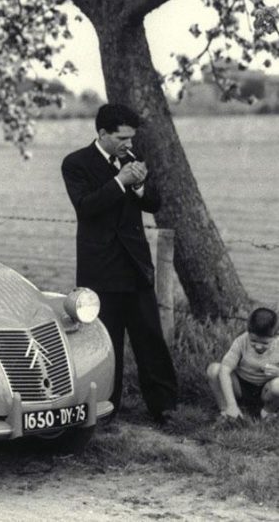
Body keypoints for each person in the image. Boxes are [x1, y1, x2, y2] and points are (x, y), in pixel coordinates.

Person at [61, 103, 177, 424]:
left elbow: (154, 202)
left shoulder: (132, 160)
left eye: (131, 138)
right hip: (100, 268)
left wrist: (139, 184)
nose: (129, 144)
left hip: (135, 266)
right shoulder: (76, 163)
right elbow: (86, 207)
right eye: (122, 138)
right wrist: (120, 182)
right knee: (106, 341)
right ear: (102, 133)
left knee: (149, 337)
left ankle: (164, 406)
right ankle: (106, 407)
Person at [207, 307, 279, 422]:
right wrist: (231, 405)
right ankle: (226, 411)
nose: (258, 346)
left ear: (275, 336)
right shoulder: (241, 341)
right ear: (248, 333)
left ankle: (267, 412)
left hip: (266, 391)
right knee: (214, 369)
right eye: (254, 341)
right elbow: (225, 370)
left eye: (265, 343)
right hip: (241, 386)